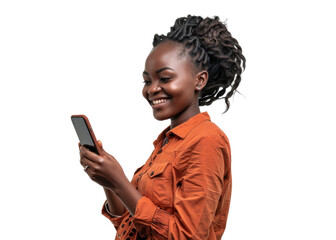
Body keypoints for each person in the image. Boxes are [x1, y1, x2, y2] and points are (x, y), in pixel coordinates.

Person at [79, 15, 245, 240]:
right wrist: (108, 182)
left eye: (165, 78)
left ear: (200, 80)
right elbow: (130, 228)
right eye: (147, 81)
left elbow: (187, 237)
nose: (152, 90)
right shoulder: (166, 143)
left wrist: (119, 181)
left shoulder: (206, 140)